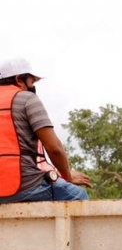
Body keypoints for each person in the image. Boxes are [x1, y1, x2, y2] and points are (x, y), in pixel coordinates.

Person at [0, 58, 91, 203]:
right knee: (78, 195)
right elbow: (54, 148)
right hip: (24, 187)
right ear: (19, 80)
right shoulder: (27, 99)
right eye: (32, 82)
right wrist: (68, 177)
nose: (33, 87)